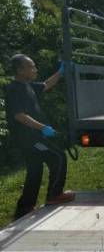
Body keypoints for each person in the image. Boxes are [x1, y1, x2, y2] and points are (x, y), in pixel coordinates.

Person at [4, 54, 75, 219]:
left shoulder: (28, 86)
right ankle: (54, 195)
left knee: (35, 170)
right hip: (30, 139)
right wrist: (43, 128)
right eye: (31, 67)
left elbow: (46, 84)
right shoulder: (14, 89)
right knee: (58, 157)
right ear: (20, 70)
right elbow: (19, 116)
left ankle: (24, 208)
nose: (35, 69)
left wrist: (61, 72)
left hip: (33, 137)